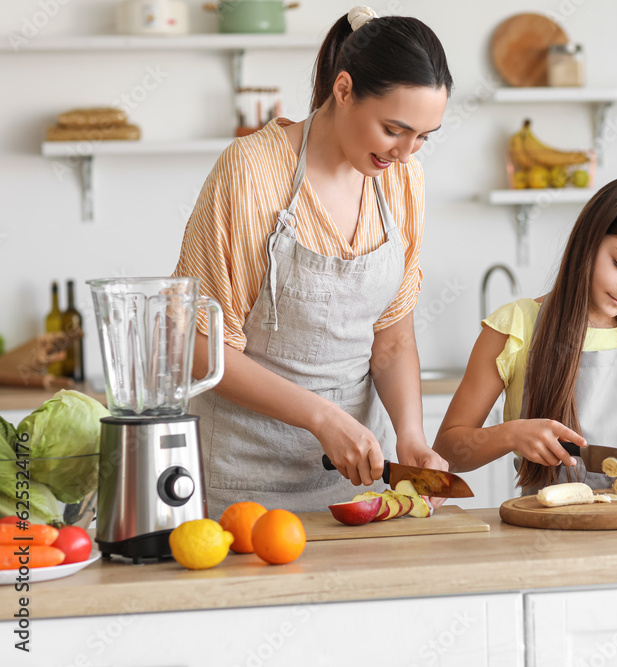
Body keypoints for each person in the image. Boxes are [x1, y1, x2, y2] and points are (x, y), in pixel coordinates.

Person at [172, 6, 452, 517]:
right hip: (242, 483)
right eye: (394, 129)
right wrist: (321, 417)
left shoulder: (403, 182)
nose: (407, 153)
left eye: (423, 137)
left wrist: (411, 438)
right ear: (343, 90)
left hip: (359, 483)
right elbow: (198, 348)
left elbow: (392, 338)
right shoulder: (252, 172)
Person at [434, 176, 617, 495]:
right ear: (588, 240)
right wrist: (511, 435)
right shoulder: (515, 326)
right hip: (544, 532)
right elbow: (448, 451)